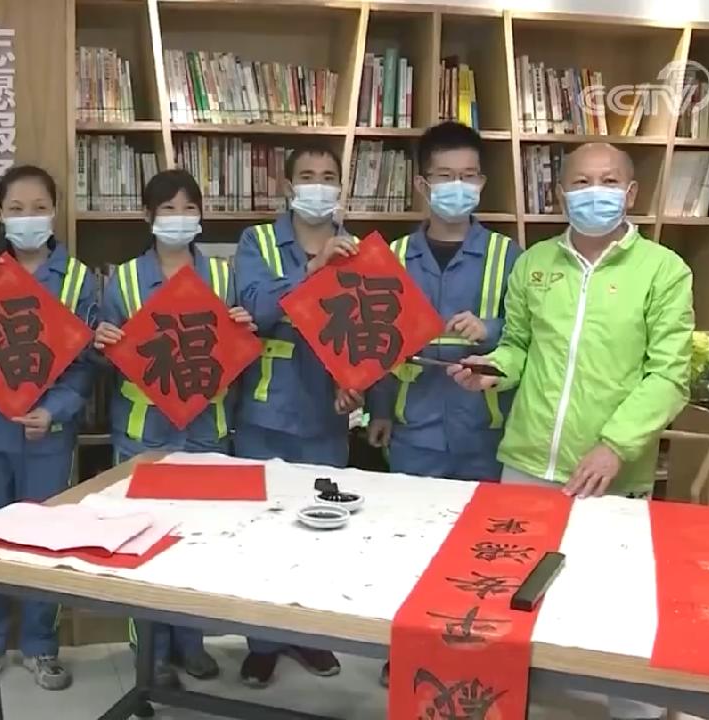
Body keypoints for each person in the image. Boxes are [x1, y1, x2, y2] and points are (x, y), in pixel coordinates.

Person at [449, 142, 693, 720]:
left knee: (616, 600)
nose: (594, 193)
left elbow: (669, 375)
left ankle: (634, 711)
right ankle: (507, 699)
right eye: (581, 182)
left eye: (608, 181)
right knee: (508, 590)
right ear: (560, 194)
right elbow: (518, 346)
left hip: (611, 471)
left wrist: (615, 445)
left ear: (631, 193)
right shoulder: (534, 263)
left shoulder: (663, 270)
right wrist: (492, 370)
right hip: (527, 460)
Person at [93, 168, 254, 690]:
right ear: (148, 217)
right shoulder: (122, 280)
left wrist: (242, 330)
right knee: (142, 542)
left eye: (189, 208)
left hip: (207, 429)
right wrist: (105, 343)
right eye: (168, 209)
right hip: (145, 431)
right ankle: (151, 653)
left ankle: (192, 643)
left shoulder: (224, 277)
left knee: (197, 540)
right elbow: (103, 360)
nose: (179, 218)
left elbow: (238, 352)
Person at [0, 165, 97, 693]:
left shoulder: (77, 279)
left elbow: (86, 366)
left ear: (54, 212)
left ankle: (41, 647)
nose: (28, 217)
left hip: (46, 436)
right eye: (16, 209)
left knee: (45, 545)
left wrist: (55, 410)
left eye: (39, 207)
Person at [231, 145, 362, 687]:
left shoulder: (359, 251)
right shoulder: (257, 242)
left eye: (328, 177)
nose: (318, 185)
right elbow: (257, 309)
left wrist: (358, 387)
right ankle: (262, 643)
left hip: (326, 418)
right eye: (307, 176)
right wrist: (313, 268)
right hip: (264, 414)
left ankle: (309, 634)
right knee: (261, 533)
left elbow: (370, 335)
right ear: (288, 188)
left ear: (341, 188)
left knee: (320, 532)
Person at [366, 122, 522, 484]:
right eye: (446, 176)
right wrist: (380, 410)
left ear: (481, 183)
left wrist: (489, 328)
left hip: (485, 431)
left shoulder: (508, 254)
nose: (458, 185)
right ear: (423, 185)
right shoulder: (394, 256)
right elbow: (378, 346)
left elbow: (528, 334)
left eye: (468, 176)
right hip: (413, 430)